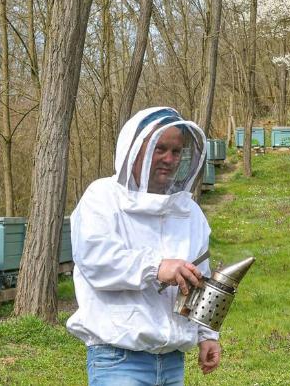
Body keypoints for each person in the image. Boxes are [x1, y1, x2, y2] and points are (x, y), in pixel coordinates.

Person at [67, 107, 221, 385]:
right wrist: (156, 267)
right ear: (134, 149)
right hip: (118, 359)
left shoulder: (188, 211)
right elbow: (95, 260)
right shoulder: (102, 198)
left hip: (173, 360)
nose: (169, 159)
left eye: (176, 151)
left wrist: (207, 335)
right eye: (159, 148)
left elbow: (202, 278)